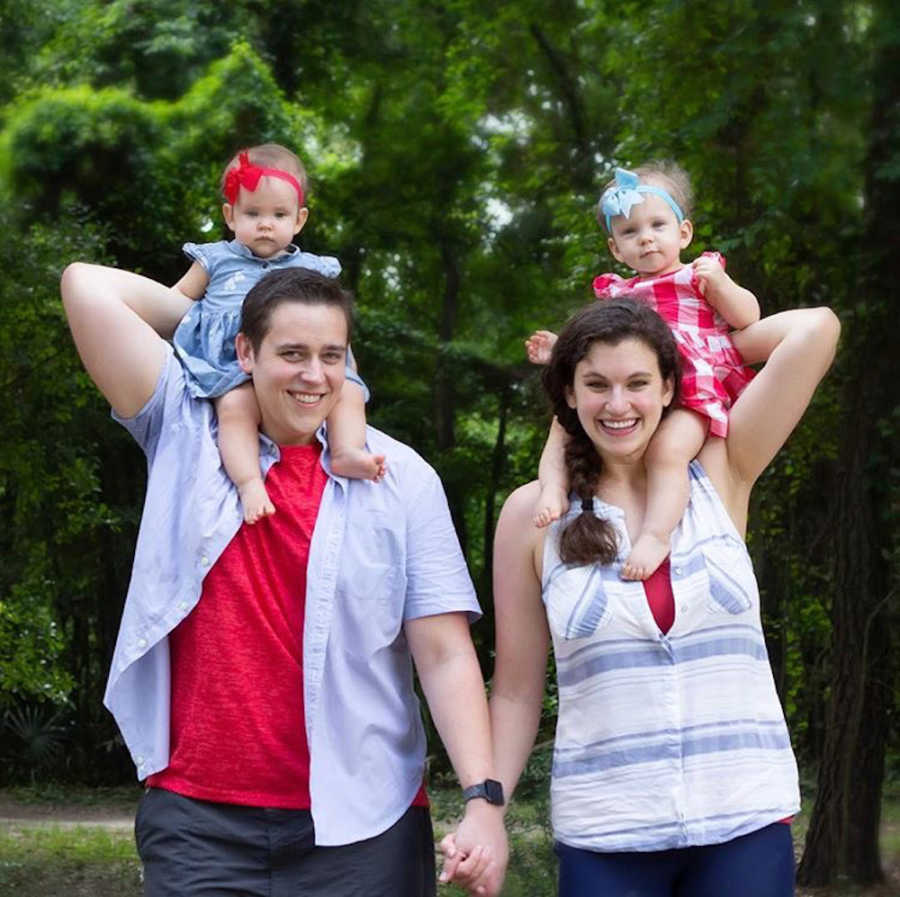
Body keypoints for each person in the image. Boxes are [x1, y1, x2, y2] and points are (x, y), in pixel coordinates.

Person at [60, 263, 507, 897]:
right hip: (199, 822)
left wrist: (484, 801)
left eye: (331, 355)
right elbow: (85, 284)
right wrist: (209, 317)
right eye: (291, 353)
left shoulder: (400, 476)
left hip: (367, 824)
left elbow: (443, 653)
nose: (313, 375)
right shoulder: (185, 435)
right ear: (246, 351)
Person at [490, 298, 839, 896]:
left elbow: (816, 329)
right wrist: (485, 808)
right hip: (606, 831)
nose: (618, 404)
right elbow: (517, 692)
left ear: (669, 386)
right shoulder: (533, 515)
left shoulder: (721, 472)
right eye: (596, 383)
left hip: (744, 818)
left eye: (638, 382)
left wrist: (694, 338)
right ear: (569, 395)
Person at [526, 162, 760, 580]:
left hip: (690, 390)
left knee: (666, 453)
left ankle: (655, 533)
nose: (646, 237)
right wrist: (560, 349)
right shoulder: (619, 293)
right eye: (631, 232)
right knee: (562, 426)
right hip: (637, 394)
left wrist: (722, 286)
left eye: (657, 225)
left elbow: (747, 318)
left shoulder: (698, 276)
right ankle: (552, 489)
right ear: (616, 249)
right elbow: (603, 352)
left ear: (683, 233)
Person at [165, 143, 384, 524]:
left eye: (278, 214)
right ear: (230, 216)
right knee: (235, 409)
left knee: (349, 390)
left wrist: (343, 362)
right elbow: (173, 300)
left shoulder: (312, 268)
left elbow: (329, 322)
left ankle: (346, 449)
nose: (265, 224)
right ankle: (249, 481)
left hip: (297, 359)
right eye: (253, 213)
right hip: (232, 365)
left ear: (299, 220)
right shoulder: (215, 259)